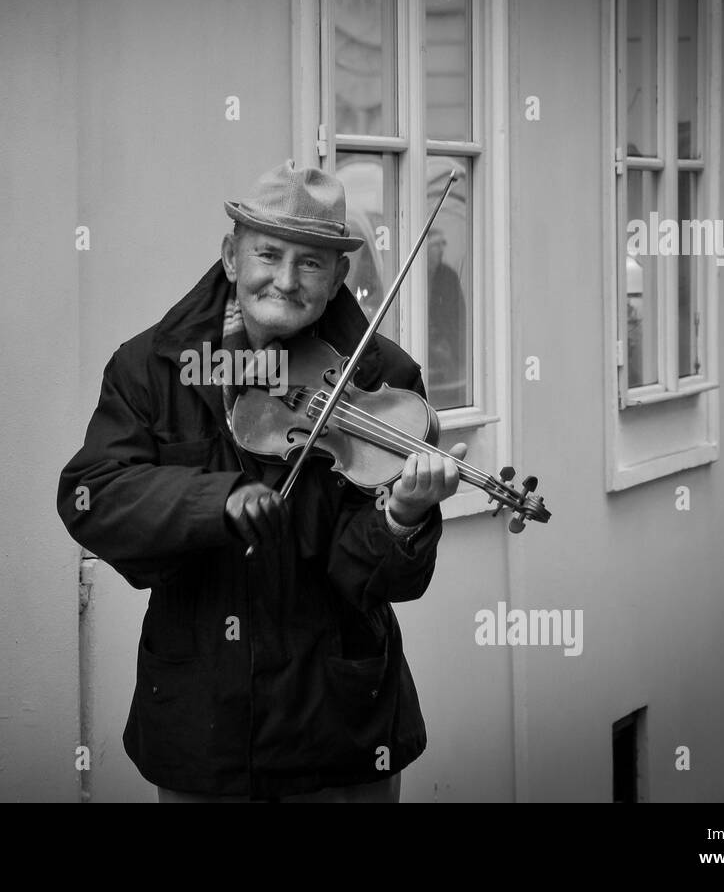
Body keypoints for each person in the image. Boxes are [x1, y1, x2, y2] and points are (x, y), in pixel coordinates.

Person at [56, 160, 466, 802]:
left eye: (310, 263)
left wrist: (402, 518)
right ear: (230, 256)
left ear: (338, 279)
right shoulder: (151, 367)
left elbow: (386, 581)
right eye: (268, 254)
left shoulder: (382, 380)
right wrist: (216, 500)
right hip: (204, 724)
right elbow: (94, 496)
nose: (285, 279)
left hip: (342, 726)